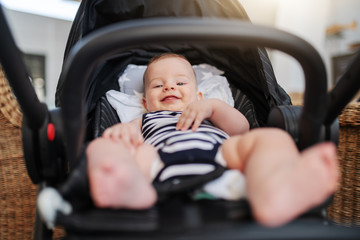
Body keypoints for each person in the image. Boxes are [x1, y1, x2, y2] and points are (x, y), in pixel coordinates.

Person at [86, 53, 339, 227]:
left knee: (269, 138)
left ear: (197, 95)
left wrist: (214, 107)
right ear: (144, 103)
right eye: (157, 85)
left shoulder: (209, 111)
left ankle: (274, 189)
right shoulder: (145, 119)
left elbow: (242, 129)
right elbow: (123, 137)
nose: (169, 87)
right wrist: (123, 134)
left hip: (223, 157)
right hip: (156, 164)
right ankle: (131, 191)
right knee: (103, 145)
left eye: (180, 82)